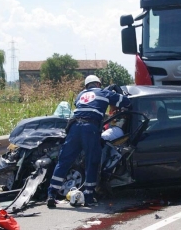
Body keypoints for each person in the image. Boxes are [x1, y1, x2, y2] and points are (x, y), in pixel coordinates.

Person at [46, 75, 131, 208]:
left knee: (64, 161)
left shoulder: (80, 95)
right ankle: (89, 196)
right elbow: (126, 102)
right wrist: (119, 93)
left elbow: (85, 105)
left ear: (86, 86)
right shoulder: (103, 92)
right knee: (92, 161)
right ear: (98, 84)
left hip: (74, 128)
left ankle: (51, 194)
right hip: (90, 128)